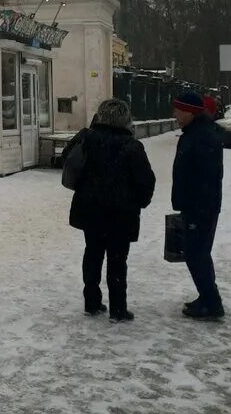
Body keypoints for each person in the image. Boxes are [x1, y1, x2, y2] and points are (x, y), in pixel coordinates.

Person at [67, 98, 156, 322]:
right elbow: (146, 182)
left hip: (90, 210)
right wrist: (140, 202)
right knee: (117, 260)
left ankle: (92, 301)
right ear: (126, 121)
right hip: (121, 214)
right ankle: (118, 309)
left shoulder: (87, 139)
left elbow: (67, 161)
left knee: (92, 254)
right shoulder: (132, 147)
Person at [172, 91, 225, 320]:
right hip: (198, 205)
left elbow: (206, 176)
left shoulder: (201, 136)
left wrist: (197, 205)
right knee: (199, 253)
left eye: (178, 110)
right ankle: (207, 297)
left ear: (189, 112)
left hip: (200, 206)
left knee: (196, 254)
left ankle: (211, 303)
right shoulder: (196, 133)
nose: (174, 114)